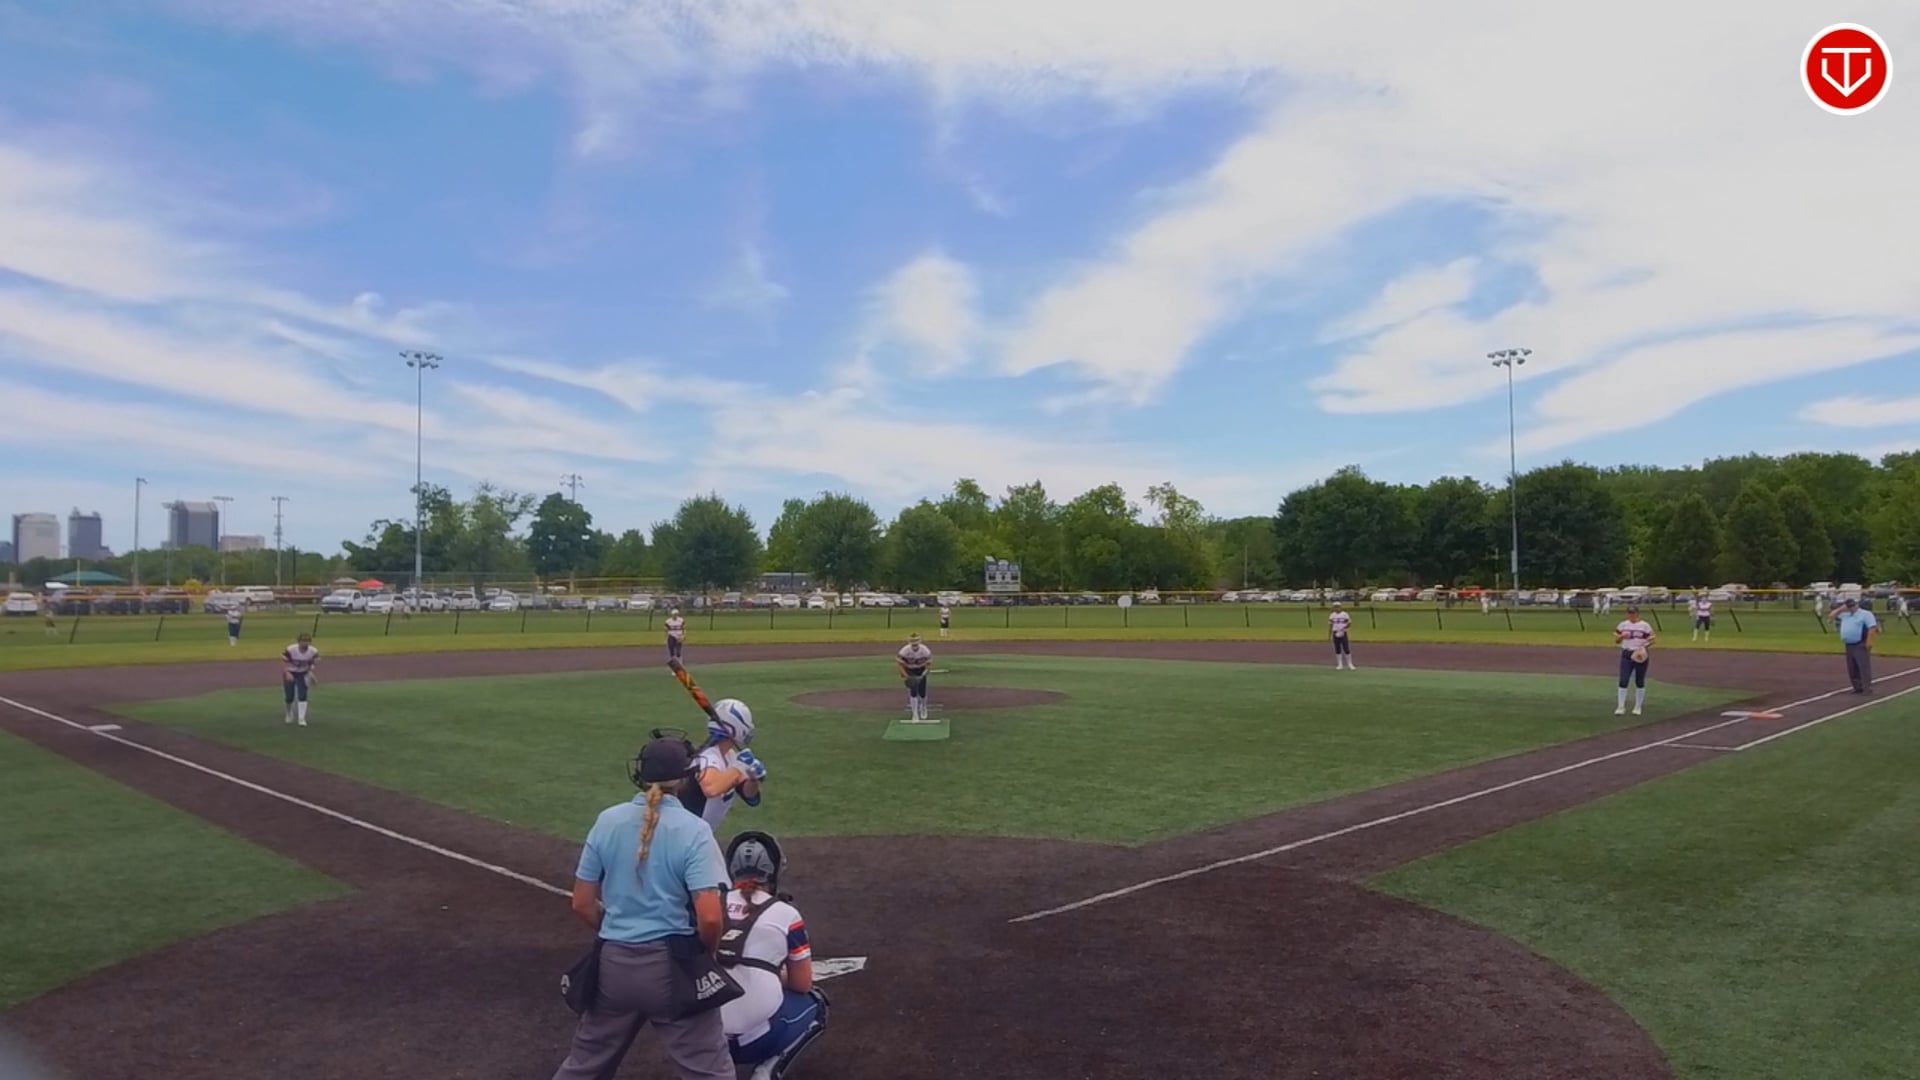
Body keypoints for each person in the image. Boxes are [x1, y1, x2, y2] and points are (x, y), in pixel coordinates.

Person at [551, 734, 735, 1080]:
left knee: (583, 1068)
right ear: (685, 779)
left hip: (612, 968)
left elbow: (582, 903)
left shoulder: (607, 821)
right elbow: (710, 917)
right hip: (673, 969)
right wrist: (704, 956)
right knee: (711, 1073)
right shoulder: (695, 831)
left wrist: (618, 932)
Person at [717, 832, 830, 1080]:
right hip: (754, 1042)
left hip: (703, 1040)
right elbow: (802, 984)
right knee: (815, 1003)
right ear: (773, 871)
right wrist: (771, 973)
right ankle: (767, 1071)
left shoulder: (708, 907)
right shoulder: (786, 914)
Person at [667, 657, 766, 828]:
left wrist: (753, 779)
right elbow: (711, 788)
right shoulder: (708, 757)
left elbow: (750, 797)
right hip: (685, 834)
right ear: (736, 727)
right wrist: (739, 768)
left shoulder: (731, 756)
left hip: (699, 834)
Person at [1831, 596, 1880, 695]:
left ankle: (1866, 688)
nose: (1851, 608)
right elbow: (1831, 616)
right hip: (1849, 644)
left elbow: (1872, 628)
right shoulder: (1845, 614)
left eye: (1852, 606)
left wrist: (1869, 642)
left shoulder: (1865, 614)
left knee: (1863, 666)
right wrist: (1841, 609)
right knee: (1852, 667)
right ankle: (1857, 687)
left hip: (1860, 643)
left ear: (1857, 605)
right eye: (1849, 606)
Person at [1613, 605, 1655, 716]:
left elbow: (1652, 639)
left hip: (1640, 654)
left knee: (1639, 681)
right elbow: (1617, 640)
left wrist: (1645, 646)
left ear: (1637, 613)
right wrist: (1621, 636)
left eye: (1633, 613)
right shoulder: (1623, 625)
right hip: (1627, 654)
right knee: (1623, 680)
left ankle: (1638, 706)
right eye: (1629, 613)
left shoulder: (1644, 625)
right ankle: (1620, 706)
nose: (1631, 615)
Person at [282, 632, 320, 726]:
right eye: (303, 641)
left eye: (307, 641)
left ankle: (301, 718)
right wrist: (287, 672)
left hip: (303, 673)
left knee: (302, 695)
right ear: (298, 642)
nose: (305, 643)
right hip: (290, 672)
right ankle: (289, 713)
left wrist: (310, 674)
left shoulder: (313, 651)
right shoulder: (291, 649)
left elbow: (313, 663)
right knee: (289, 696)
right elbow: (284, 661)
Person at [897, 633, 934, 721]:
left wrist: (923, 675)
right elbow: (900, 664)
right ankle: (915, 713)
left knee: (922, 692)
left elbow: (929, 664)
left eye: (916, 642)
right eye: (912, 642)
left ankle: (923, 707)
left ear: (919, 641)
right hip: (910, 670)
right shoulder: (904, 651)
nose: (914, 645)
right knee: (913, 691)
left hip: (921, 670)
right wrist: (907, 676)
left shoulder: (925, 650)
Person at [1328, 602, 1355, 670]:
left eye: (1338, 607)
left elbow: (1349, 623)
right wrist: (1329, 634)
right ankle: (1340, 664)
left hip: (1343, 633)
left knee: (1346, 648)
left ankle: (1350, 664)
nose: (1337, 608)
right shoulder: (1332, 615)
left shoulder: (1345, 614)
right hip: (1335, 633)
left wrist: (1344, 628)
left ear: (1340, 607)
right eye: (1335, 607)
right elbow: (1331, 625)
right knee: (1337, 648)